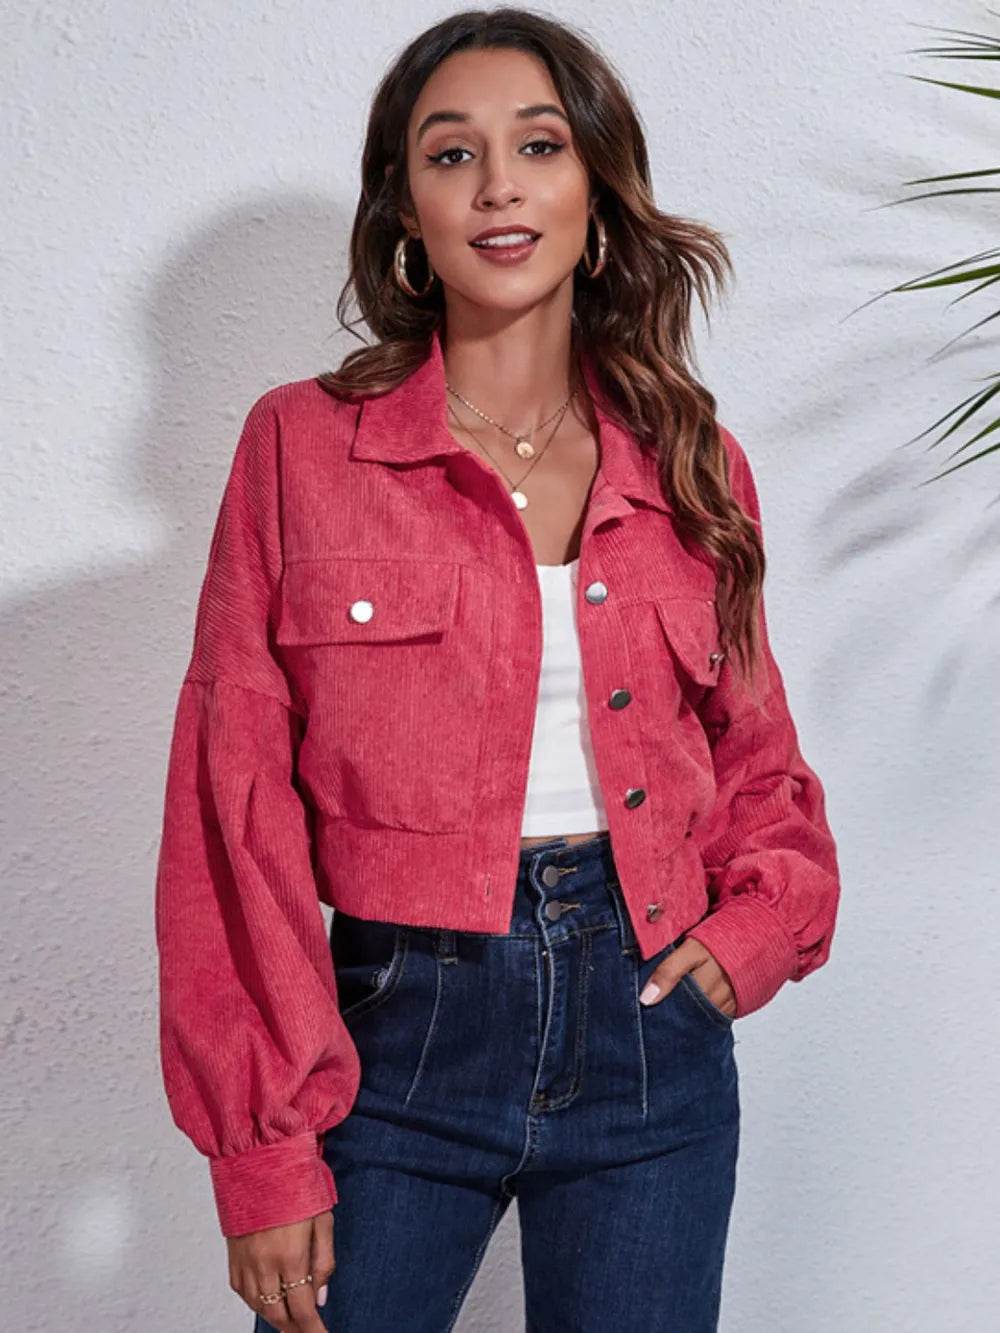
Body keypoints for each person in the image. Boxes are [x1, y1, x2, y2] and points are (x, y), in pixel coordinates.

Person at [153, 8, 841, 1331]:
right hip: (395, 1040)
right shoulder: (302, 449)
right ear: (406, 210)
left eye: (538, 144)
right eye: (451, 154)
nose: (498, 186)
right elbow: (230, 805)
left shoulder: (693, 462)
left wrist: (753, 932)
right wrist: (264, 1148)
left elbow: (759, 759)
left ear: (596, 192)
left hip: (653, 1026)